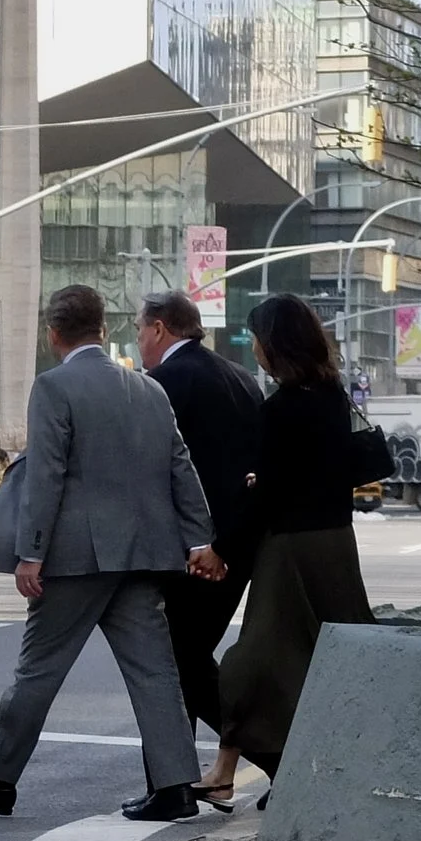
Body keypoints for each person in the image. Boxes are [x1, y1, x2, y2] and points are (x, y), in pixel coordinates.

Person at [0, 285, 222, 823]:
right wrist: (198, 538)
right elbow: (180, 468)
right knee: (155, 672)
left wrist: (31, 553)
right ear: (104, 328)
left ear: (52, 334)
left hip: (76, 560)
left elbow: (47, 475)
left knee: (37, 671)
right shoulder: (148, 391)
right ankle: (177, 786)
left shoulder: (54, 387)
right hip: (142, 557)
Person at [220, 294, 374, 798]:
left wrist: (221, 546)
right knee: (334, 658)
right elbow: (353, 465)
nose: (255, 349)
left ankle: (228, 775)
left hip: (289, 551)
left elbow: (265, 495)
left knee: (254, 662)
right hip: (334, 544)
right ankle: (245, 774)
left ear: (273, 345)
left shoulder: (280, 409)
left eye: (257, 339)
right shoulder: (333, 396)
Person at [139, 289, 265, 809]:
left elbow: (154, 472)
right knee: (184, 659)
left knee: (176, 662)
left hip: (194, 550)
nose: (137, 339)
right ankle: (174, 786)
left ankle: (273, 749)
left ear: (161, 329)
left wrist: (203, 543)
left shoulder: (166, 383)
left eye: (140, 329)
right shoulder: (242, 378)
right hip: (237, 546)